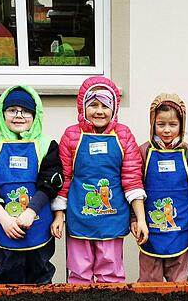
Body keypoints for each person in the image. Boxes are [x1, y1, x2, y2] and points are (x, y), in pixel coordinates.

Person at [51, 76, 148, 283]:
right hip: (79, 217)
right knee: (79, 273)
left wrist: (140, 219)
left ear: (114, 109)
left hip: (113, 218)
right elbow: (64, 178)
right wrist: (59, 216)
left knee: (110, 273)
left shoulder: (124, 136)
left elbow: (132, 180)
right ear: (82, 107)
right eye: (93, 105)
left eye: (105, 105)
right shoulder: (71, 135)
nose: (99, 111)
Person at [0, 85, 63, 284]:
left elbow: (49, 183)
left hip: (38, 224)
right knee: (8, 277)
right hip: (5, 226)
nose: (19, 116)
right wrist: (4, 219)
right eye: (12, 110)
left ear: (36, 115)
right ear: (2, 114)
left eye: (26, 111)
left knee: (41, 274)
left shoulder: (47, 145)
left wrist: (31, 211)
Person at [137, 94, 188, 282]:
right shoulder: (143, 152)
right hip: (150, 230)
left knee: (178, 283)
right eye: (161, 124)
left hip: (180, 227)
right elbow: (134, 188)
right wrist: (134, 219)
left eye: (173, 125)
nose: (167, 130)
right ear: (152, 123)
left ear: (181, 125)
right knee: (149, 281)